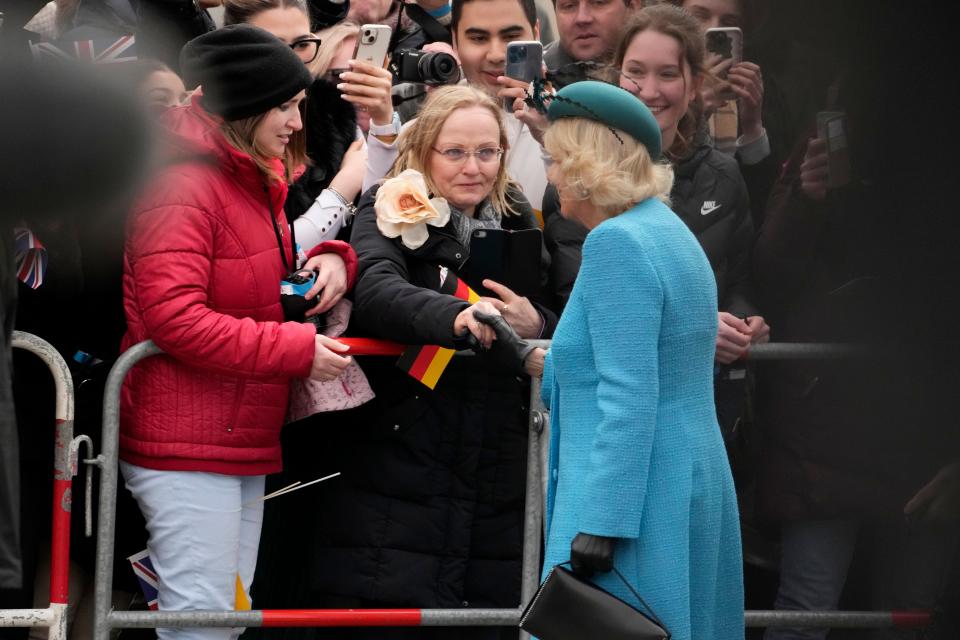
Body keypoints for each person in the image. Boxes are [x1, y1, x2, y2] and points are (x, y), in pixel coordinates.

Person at [118, 25, 358, 639]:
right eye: (286, 106)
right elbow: (174, 318)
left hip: (232, 434)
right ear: (249, 108)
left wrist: (332, 258)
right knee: (200, 623)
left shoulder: (245, 178)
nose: (297, 121)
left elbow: (259, 284)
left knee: (221, 618)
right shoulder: (182, 184)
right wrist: (294, 349)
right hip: (188, 440)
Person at [305, 85, 557, 640]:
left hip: (500, 460)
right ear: (423, 152)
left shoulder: (521, 214)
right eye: (455, 152)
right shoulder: (385, 203)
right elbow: (377, 290)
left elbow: (572, 309)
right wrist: (461, 318)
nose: (474, 167)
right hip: (404, 448)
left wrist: (534, 325)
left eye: (487, 152)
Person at [522, 79, 743, 640]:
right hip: (681, 477)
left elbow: (629, 395)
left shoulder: (616, 243)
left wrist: (603, 522)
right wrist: (539, 361)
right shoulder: (667, 231)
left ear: (586, 165)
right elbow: (649, 365)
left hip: (633, 500)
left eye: (555, 159)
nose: (550, 176)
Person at [547, 5, 768, 361]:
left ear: (694, 84)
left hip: (708, 391)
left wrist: (744, 322)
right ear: (617, 75)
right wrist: (699, 328)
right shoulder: (578, 178)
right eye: (635, 72)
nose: (649, 91)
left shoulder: (724, 175)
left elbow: (740, 278)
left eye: (667, 74)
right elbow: (581, 300)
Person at [365, 0, 551, 219]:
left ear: (536, 33)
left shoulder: (577, 126)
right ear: (454, 40)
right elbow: (376, 217)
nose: (495, 55)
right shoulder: (417, 133)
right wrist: (381, 123)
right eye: (478, 38)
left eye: (511, 38)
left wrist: (554, 141)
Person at [222, 0, 372, 246]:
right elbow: (266, 252)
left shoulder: (333, 111)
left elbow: (376, 216)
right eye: (273, 46)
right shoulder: (215, 131)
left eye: (302, 44)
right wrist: (341, 191)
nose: (291, 60)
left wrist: (384, 121)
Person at [665, 0, 793, 225]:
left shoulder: (755, 85)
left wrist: (753, 127)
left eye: (728, 22)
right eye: (700, 16)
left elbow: (764, 201)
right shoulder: (656, 81)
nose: (713, 29)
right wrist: (696, 109)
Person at [544, 0, 638, 87]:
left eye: (599, 2)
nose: (582, 18)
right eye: (569, 6)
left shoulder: (648, 90)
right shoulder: (534, 80)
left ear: (632, 7)